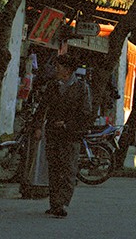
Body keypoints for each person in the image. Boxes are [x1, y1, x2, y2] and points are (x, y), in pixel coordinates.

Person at [33, 54, 91, 219]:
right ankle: (54, 203)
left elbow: (85, 114)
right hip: (53, 133)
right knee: (54, 168)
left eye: (58, 67)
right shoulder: (52, 86)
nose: (55, 70)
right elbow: (42, 107)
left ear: (67, 70)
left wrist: (67, 124)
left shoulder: (81, 88)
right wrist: (38, 127)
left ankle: (63, 203)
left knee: (68, 170)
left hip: (71, 135)